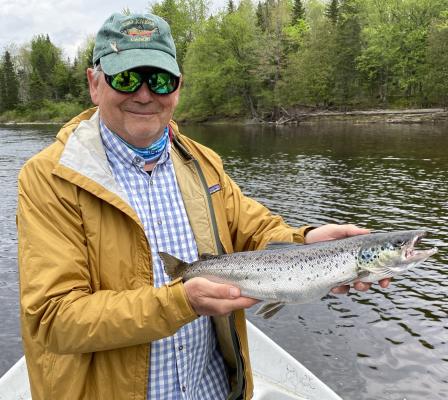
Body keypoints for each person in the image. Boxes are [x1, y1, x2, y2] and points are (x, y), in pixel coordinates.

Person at [16, 11, 390, 400]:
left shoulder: (202, 162)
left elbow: (256, 229)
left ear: (177, 88)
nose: (144, 94)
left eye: (160, 80)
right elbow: (53, 320)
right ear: (95, 84)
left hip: (210, 389)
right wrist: (181, 302)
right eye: (125, 78)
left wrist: (308, 240)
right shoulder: (48, 178)